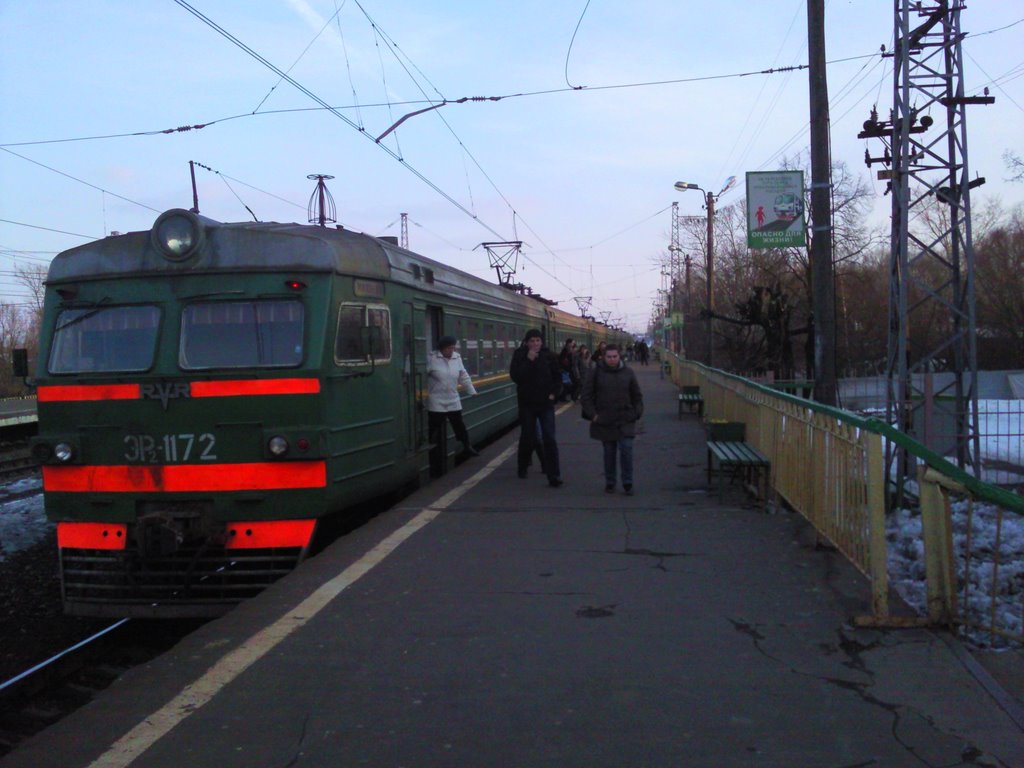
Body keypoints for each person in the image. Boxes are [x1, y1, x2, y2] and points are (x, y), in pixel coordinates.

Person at [581, 343, 643, 495]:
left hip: (625, 418)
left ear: (619, 356)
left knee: (626, 449)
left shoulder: (628, 372)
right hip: (605, 419)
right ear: (604, 357)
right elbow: (586, 396)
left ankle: (627, 482)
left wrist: (636, 413)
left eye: (615, 356)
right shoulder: (596, 373)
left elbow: (637, 395)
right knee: (609, 452)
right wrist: (593, 415)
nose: (612, 359)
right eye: (609, 357)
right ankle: (610, 482)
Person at [509, 329, 563, 487]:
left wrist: (554, 394)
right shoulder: (520, 355)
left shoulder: (549, 356)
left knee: (550, 439)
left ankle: (554, 475)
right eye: (532, 341)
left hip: (546, 403)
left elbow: (558, 377)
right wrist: (528, 361)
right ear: (527, 342)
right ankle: (523, 466)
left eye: (537, 340)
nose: (535, 344)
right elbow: (517, 377)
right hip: (527, 404)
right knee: (528, 436)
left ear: (541, 342)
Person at [426, 335, 478, 475]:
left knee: (459, 424)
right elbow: (421, 372)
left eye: (453, 347)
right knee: (434, 425)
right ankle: (429, 447)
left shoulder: (457, 358)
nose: (452, 350)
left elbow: (463, 376)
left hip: (452, 397)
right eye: (449, 348)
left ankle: (466, 445)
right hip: (436, 399)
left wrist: (471, 390)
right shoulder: (432, 359)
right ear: (442, 348)